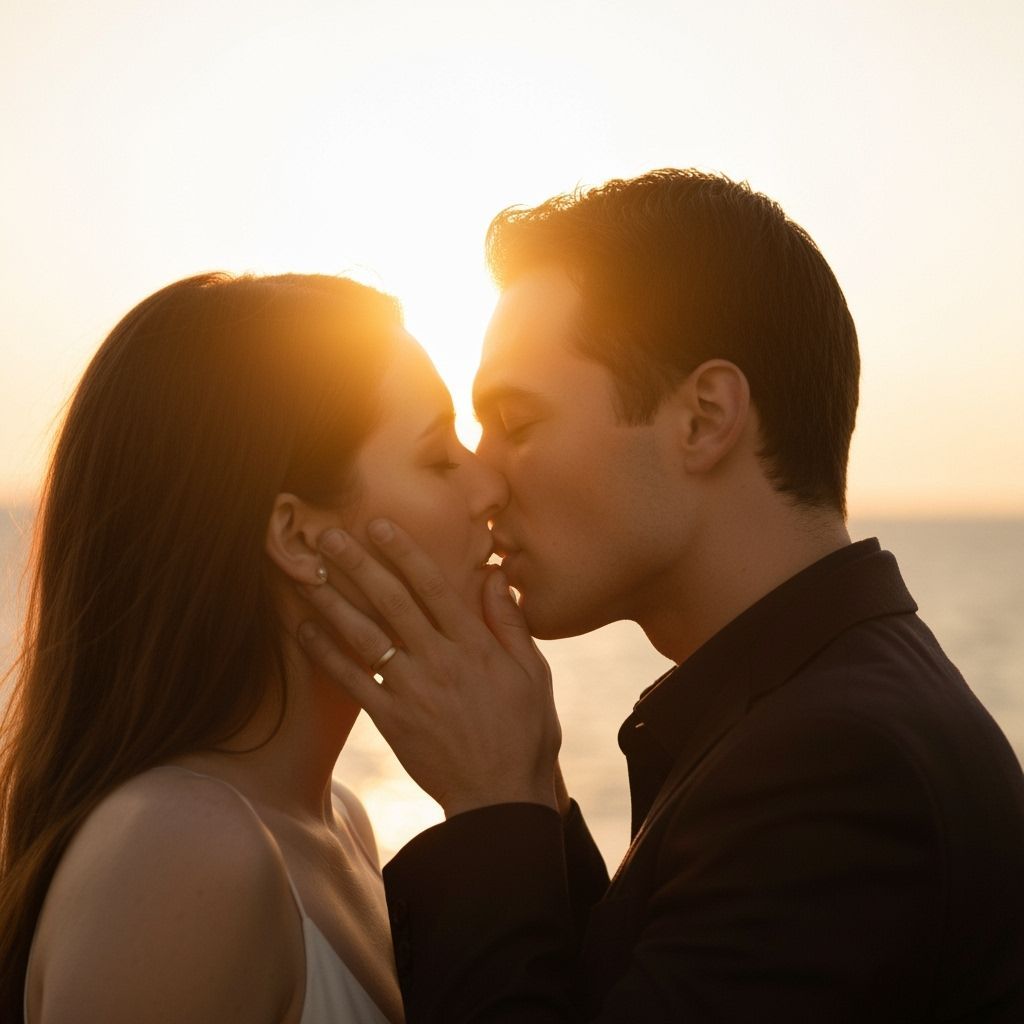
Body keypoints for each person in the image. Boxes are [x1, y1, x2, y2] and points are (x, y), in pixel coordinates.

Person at [298, 170, 1024, 1021]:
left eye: (520, 423)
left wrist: (491, 807)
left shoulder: (840, 765)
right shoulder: (805, 712)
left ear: (704, 418)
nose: (484, 480)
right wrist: (530, 792)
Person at [0, 271, 512, 1023]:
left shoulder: (338, 823)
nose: (489, 486)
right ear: (298, 537)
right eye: (439, 459)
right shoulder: (181, 854)